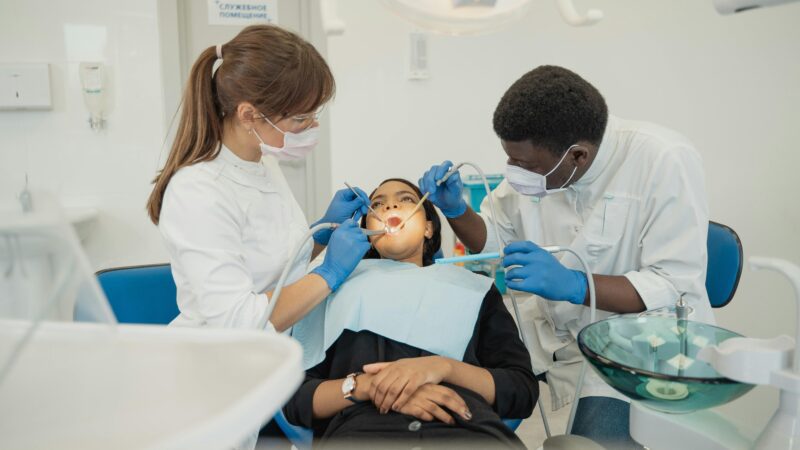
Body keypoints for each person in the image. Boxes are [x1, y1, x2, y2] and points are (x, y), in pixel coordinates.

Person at [419, 65, 712, 448]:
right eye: (510, 160)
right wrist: (456, 210)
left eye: (527, 166)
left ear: (577, 156)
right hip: (551, 331)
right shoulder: (540, 160)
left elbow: (672, 287)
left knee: (592, 441)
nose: (515, 173)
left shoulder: (663, 160)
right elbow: (493, 238)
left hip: (637, 343)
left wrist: (574, 285)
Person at [145, 25, 371, 448]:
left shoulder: (262, 161)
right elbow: (240, 320)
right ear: (249, 114)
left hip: (248, 377)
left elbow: (270, 267)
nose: (311, 125)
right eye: (301, 117)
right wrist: (332, 272)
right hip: (204, 389)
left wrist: (318, 235)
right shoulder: (198, 191)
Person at [284, 179, 537, 449]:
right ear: (367, 231)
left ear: (429, 227)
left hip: (467, 430)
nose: (390, 204)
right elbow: (294, 398)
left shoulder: (473, 288)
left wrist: (444, 368)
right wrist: (368, 387)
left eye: (405, 199)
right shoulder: (332, 289)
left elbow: (521, 389)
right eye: (377, 204)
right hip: (363, 432)